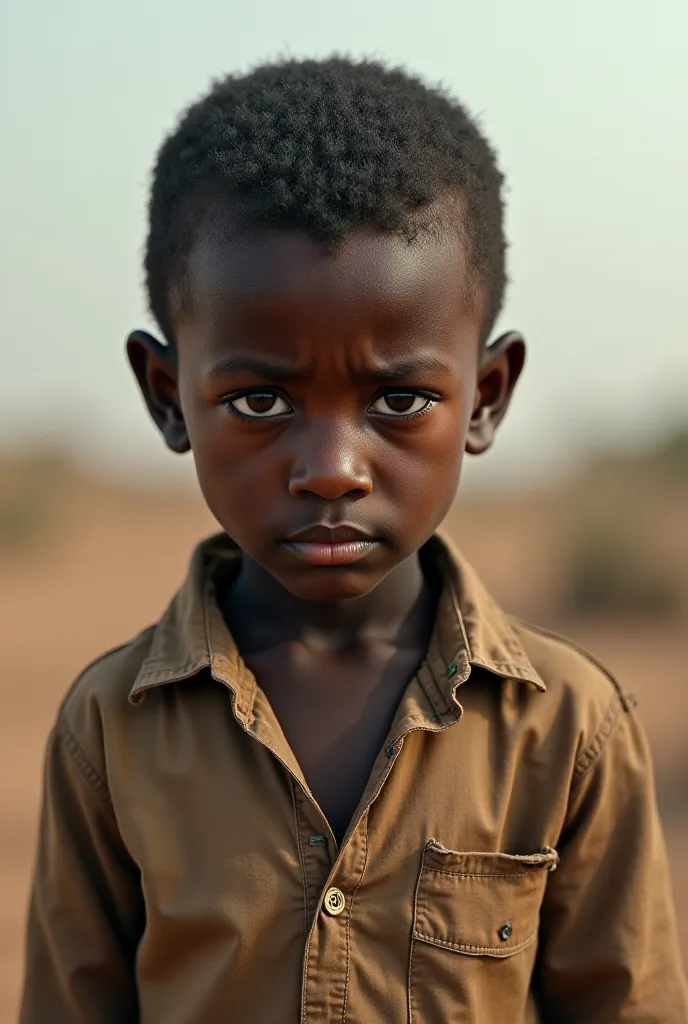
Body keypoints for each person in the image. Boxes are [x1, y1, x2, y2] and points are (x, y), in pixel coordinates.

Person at [20, 58, 687, 1023]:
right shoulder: (111, 732)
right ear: (168, 396)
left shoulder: (571, 731)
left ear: (485, 397)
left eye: (398, 399)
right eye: (260, 400)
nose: (331, 467)